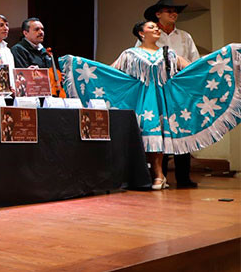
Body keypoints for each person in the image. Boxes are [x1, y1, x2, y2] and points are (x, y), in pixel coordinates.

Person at [60, 22, 240, 191]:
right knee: (146, 135)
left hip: (164, 100)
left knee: (159, 136)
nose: (156, 29)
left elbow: (193, 68)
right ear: (141, 33)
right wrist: (81, 66)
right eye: (151, 27)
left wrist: (223, 57)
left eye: (157, 28)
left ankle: (158, 175)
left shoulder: (168, 54)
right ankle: (153, 175)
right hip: (141, 99)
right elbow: (110, 71)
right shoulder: (130, 54)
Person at [138, 0, 200, 188]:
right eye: (169, 10)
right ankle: (160, 174)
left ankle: (183, 177)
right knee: (161, 128)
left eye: (175, 11)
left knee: (182, 128)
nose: (174, 14)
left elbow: (194, 61)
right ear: (158, 14)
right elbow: (139, 59)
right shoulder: (149, 36)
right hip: (157, 89)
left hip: (180, 88)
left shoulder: (184, 37)